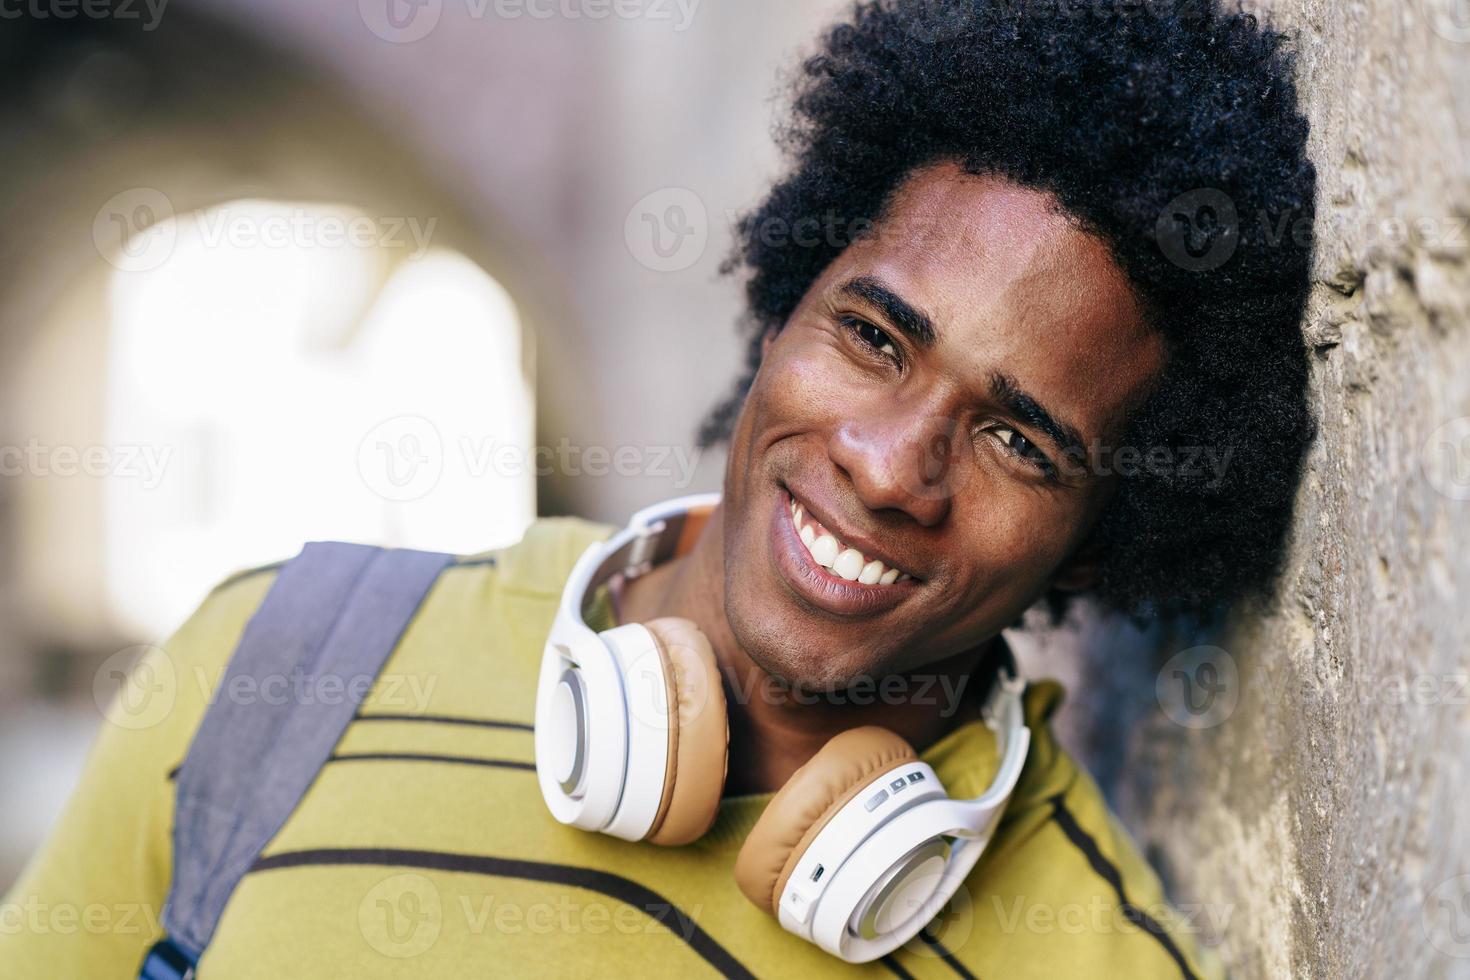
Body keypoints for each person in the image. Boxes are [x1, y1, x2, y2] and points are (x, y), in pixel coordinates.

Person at [1, 0, 1316, 976]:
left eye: (1019, 441)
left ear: (1097, 540)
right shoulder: (268, 666)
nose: (884, 464)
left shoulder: (1090, 959)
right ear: (780, 302)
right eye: (872, 337)